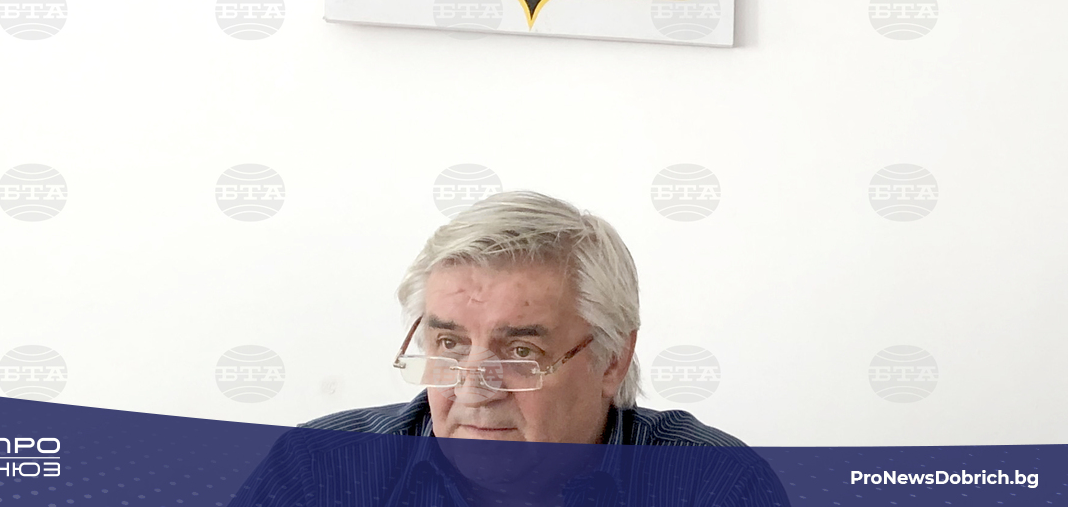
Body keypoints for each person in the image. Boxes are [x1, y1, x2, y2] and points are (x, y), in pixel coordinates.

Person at [229, 191, 790, 507]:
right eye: (449, 344)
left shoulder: (711, 485)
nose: (473, 389)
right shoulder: (320, 469)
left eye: (520, 352)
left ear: (612, 359)